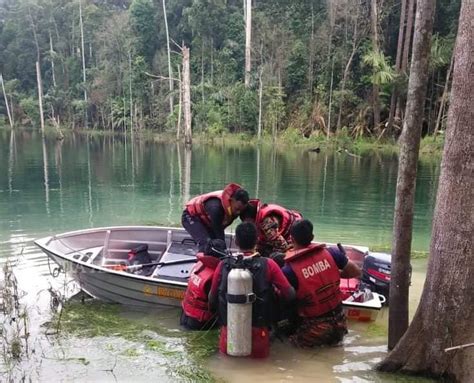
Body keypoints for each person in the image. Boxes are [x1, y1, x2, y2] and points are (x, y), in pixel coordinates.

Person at [208, 222, 295, 358]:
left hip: (229, 334)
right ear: (257, 240)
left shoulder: (223, 264)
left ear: (236, 241)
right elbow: (289, 295)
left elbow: (212, 298)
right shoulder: (269, 264)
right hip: (259, 335)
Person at [282, 219, 361, 348]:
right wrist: (333, 273)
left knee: (285, 344)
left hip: (315, 330)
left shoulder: (289, 270)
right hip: (340, 323)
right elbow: (355, 271)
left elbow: (284, 298)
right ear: (312, 237)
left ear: (291, 239)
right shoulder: (331, 253)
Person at [182, 183, 249, 252]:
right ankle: (202, 260)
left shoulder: (238, 206)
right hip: (190, 216)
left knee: (215, 245)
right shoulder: (216, 208)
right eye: (237, 209)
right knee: (206, 243)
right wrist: (225, 254)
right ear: (231, 200)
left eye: (241, 210)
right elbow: (219, 235)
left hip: (207, 221)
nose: (238, 213)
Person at [180, 239, 227, 331]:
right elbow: (214, 303)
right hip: (200, 321)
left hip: (185, 313)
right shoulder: (214, 275)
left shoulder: (199, 264)